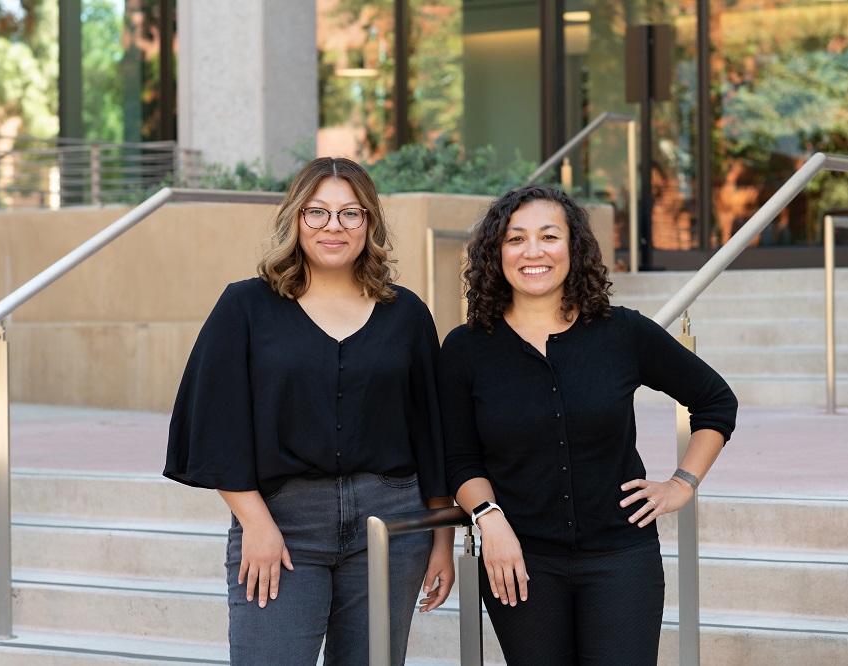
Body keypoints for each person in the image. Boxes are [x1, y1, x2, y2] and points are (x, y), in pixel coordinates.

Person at [164, 156, 455, 665]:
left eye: (351, 213)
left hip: (390, 524)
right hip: (281, 521)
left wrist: (441, 540)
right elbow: (215, 425)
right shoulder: (245, 307)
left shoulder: (406, 313)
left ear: (370, 223)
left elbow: (432, 431)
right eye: (317, 212)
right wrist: (255, 523)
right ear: (295, 219)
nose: (333, 227)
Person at [439, 185, 738, 665]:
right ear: (497, 253)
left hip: (621, 558)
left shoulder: (622, 332)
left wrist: (682, 483)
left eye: (549, 236)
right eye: (516, 239)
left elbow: (715, 401)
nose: (533, 252)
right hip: (520, 560)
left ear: (573, 249)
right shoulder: (465, 349)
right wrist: (487, 518)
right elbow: (459, 457)